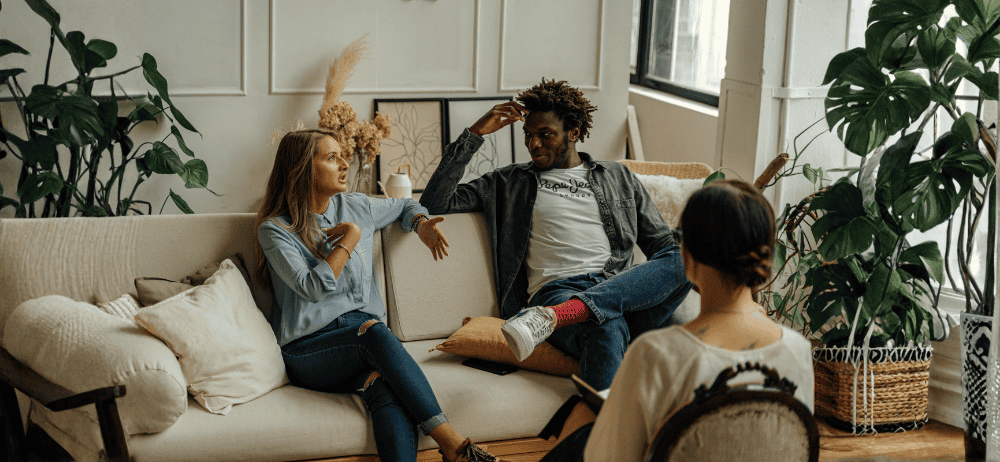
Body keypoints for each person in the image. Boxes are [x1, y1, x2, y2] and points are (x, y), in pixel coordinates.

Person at [420, 79, 692, 389]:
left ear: (573, 132)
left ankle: (563, 316)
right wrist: (474, 134)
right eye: (528, 135)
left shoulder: (619, 177)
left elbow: (665, 248)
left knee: (692, 256)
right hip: (558, 292)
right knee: (604, 324)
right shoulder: (509, 182)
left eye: (545, 135)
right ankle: (566, 322)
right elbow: (434, 203)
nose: (533, 144)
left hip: (619, 291)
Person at [255, 129, 503, 462]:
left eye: (342, 155)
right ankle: (454, 444)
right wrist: (350, 239)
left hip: (367, 346)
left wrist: (420, 223)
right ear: (302, 168)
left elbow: (406, 204)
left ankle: (454, 451)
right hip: (310, 351)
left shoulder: (357, 205)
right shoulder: (275, 229)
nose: (344, 164)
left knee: (383, 384)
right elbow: (313, 288)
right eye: (332, 158)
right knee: (373, 332)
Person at [539, 179, 816, 462]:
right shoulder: (798, 350)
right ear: (766, 258)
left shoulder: (655, 355)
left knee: (582, 417)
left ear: (685, 256)